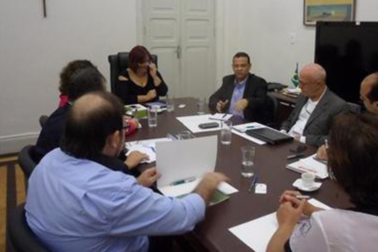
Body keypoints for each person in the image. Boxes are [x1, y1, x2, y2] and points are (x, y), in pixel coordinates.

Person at [26, 91, 228, 252]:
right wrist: (207, 184)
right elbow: (185, 216)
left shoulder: (49, 160)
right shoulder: (112, 190)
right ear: (114, 139)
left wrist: (137, 185)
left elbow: (94, 203)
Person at [268, 113, 378, 252]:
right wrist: (313, 210)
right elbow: (371, 221)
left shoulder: (329, 227)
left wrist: (287, 223)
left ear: (340, 173)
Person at [35, 67, 145, 174]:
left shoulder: (68, 113)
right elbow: (90, 167)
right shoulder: (76, 126)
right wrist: (126, 165)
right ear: (92, 97)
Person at [280, 63, 347, 146]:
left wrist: (301, 139)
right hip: (287, 140)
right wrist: (283, 131)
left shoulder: (337, 106)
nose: (300, 87)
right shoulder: (302, 96)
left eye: (303, 84)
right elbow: (290, 120)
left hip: (306, 146)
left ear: (318, 84)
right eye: (299, 82)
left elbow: (334, 139)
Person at [208, 52, 268, 122]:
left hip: (246, 123)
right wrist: (218, 104)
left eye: (243, 66)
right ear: (232, 67)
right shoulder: (228, 80)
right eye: (236, 66)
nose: (239, 69)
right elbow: (213, 97)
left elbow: (262, 102)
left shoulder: (258, 82)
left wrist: (247, 102)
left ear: (249, 67)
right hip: (228, 120)